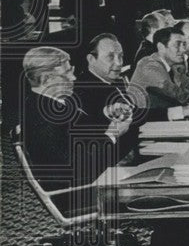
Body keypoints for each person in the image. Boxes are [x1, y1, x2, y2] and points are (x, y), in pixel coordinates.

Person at [20, 46, 132, 191]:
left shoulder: (54, 102)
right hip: (78, 193)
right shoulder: (42, 117)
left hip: (95, 175)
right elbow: (73, 169)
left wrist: (108, 114)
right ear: (46, 79)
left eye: (71, 70)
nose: (73, 77)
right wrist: (112, 134)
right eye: (67, 73)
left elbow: (83, 132)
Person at [131, 26, 189, 118]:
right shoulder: (149, 65)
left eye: (184, 44)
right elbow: (174, 93)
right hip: (144, 122)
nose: (183, 50)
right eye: (177, 45)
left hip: (162, 117)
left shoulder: (172, 66)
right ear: (161, 47)